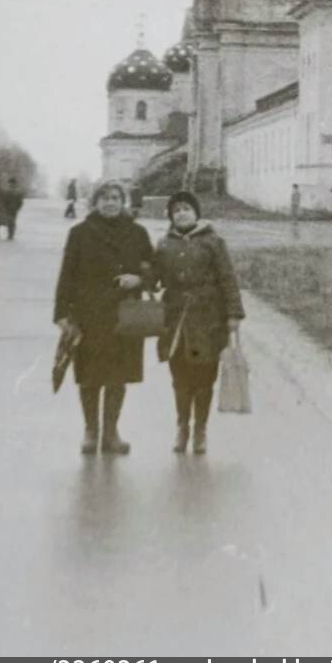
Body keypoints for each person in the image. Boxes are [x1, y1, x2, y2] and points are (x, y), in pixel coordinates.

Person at [53, 180, 154, 455]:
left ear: (123, 202)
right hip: (89, 314)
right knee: (89, 374)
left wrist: (139, 279)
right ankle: (91, 431)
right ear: (95, 202)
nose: (110, 202)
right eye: (104, 198)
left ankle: (111, 433)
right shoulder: (79, 233)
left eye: (115, 198)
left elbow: (154, 269)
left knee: (118, 376)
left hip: (125, 313)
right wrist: (61, 314)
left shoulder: (137, 233)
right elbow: (67, 274)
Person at [151, 191, 244, 456]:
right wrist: (142, 276)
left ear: (196, 213)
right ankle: (182, 427)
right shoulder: (164, 244)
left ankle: (200, 430)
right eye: (176, 210)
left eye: (186, 209)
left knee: (204, 377)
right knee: (180, 377)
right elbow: (153, 276)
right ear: (171, 216)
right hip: (175, 321)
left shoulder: (214, 242)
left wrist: (233, 315)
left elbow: (228, 279)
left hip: (208, 320)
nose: (181, 213)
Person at [3, 177, 24, 241]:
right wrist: (17, 208)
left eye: (10, 183)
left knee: (10, 221)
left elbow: (4, 200)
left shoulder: (8, 191)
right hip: (13, 209)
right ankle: (11, 234)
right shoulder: (17, 192)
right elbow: (20, 202)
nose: (10, 184)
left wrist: (5, 207)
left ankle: (10, 235)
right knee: (12, 221)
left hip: (10, 209)